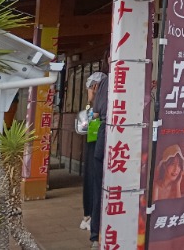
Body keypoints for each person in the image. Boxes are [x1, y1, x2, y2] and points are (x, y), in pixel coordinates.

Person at [81, 72, 106, 232]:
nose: (88, 93)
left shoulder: (98, 104)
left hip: (97, 144)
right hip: (97, 142)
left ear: (95, 86)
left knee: (93, 178)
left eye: (89, 89)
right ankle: (90, 216)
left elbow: (90, 120)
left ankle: (90, 216)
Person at [89, 65, 108, 249]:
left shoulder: (105, 82)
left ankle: (96, 235)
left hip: (104, 138)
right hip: (127, 140)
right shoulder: (136, 78)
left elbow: (94, 114)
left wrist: (92, 98)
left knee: (99, 187)